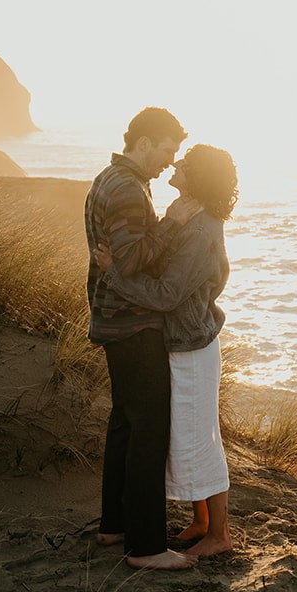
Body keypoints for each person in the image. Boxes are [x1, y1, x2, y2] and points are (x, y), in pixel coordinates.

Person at [97, 143, 238, 559]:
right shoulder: (185, 214)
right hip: (182, 340)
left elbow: (166, 294)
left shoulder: (200, 228)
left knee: (201, 439)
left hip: (192, 345)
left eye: (186, 163)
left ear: (199, 177)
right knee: (188, 435)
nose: (176, 163)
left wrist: (114, 276)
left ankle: (220, 534)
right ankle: (202, 521)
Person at [83, 106, 198, 571]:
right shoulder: (129, 189)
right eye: (168, 149)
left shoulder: (110, 177)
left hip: (114, 320)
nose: (171, 161)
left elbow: (121, 258)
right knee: (149, 430)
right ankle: (147, 547)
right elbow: (128, 264)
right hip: (131, 322)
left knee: (124, 425)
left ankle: (114, 525)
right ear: (146, 141)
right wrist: (172, 222)